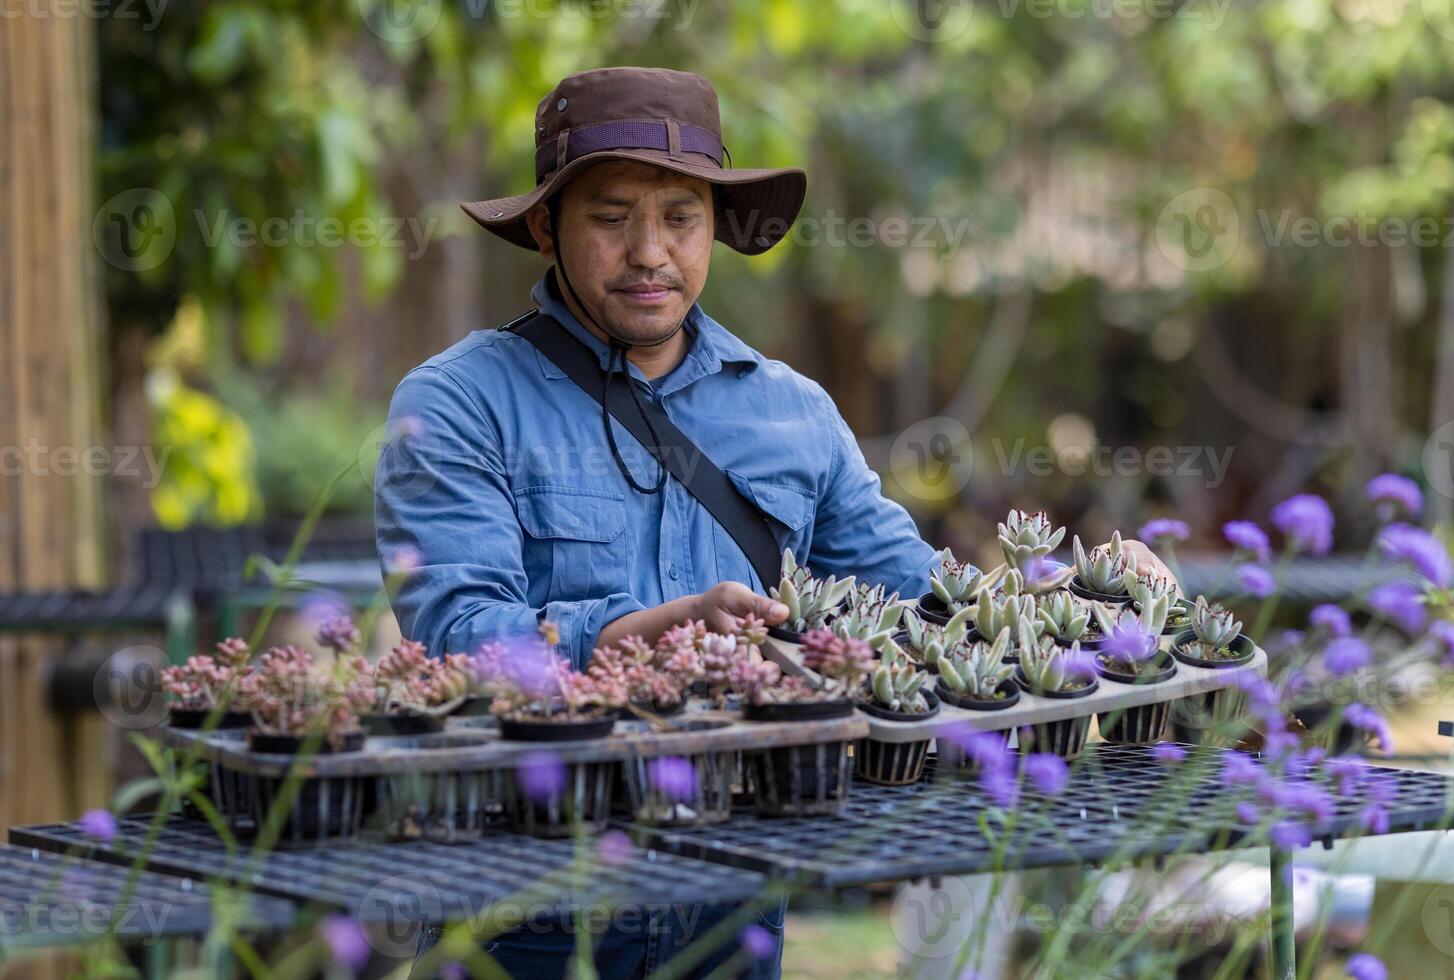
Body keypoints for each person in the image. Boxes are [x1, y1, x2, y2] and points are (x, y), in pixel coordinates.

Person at [376, 65, 1174, 980]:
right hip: (524, 896)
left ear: (714, 227)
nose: (649, 251)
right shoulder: (458, 402)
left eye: (680, 216)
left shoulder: (794, 414)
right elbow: (457, 641)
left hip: (739, 892)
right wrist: (655, 633)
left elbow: (922, 610)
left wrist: (1079, 596)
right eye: (610, 217)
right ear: (550, 227)